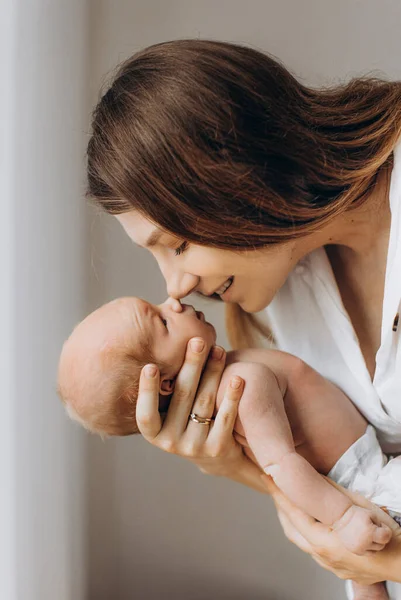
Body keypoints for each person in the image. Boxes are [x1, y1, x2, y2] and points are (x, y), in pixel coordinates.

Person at [85, 39, 401, 598]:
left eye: (178, 245)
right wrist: (236, 465)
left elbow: (370, 553)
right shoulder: (271, 305)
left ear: (236, 175)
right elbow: (354, 492)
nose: (176, 288)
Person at [57, 295, 399, 600]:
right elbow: (281, 464)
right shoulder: (243, 383)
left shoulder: (229, 387)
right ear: (164, 384)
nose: (173, 301)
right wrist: (344, 518)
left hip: (355, 479)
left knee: (367, 575)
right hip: (364, 482)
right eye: (162, 320)